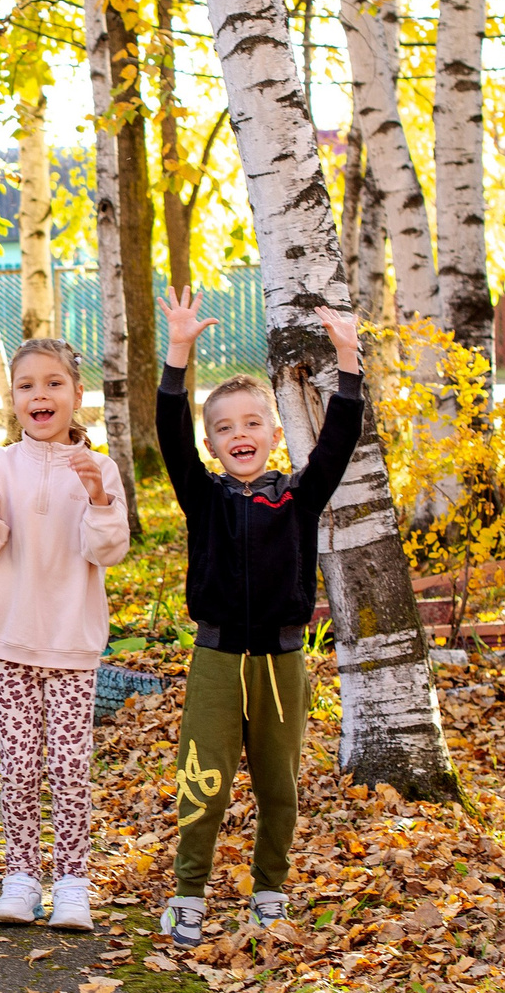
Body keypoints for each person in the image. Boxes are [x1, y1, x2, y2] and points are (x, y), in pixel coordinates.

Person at [155, 288, 365, 948]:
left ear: (273, 433)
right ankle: (188, 895)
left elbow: (338, 442)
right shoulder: (205, 497)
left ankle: (269, 893)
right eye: (224, 427)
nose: (238, 435)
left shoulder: (298, 497)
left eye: (252, 423)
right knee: (204, 783)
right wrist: (179, 353)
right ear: (212, 442)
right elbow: (169, 434)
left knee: (280, 787)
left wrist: (349, 360)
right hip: (217, 660)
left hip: (281, 662)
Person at [0, 338, 133, 933]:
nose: (40, 395)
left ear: (77, 394)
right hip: (11, 640)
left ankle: (73, 881)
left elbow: (107, 549)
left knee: (70, 767)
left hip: (72, 643)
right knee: (22, 766)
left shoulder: (99, 467)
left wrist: (99, 496)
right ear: (14, 397)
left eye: (53, 383)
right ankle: (23, 877)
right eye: (26, 385)